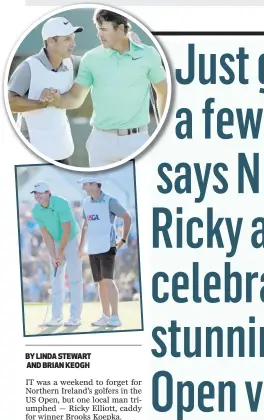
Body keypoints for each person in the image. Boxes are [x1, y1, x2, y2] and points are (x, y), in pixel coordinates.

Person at [40, 9, 168, 168]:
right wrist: (57, 100)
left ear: (120, 28)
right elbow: (75, 98)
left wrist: (163, 133)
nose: (99, 34)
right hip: (101, 142)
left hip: (137, 141)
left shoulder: (148, 55)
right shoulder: (91, 58)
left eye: (104, 29)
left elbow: (163, 93)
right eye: (98, 29)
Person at [7, 17, 83, 164]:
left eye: (73, 38)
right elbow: (9, 103)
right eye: (67, 39)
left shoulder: (72, 62)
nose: (73, 44)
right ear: (51, 41)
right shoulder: (27, 67)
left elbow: (94, 61)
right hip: (32, 148)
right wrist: (42, 103)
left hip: (61, 147)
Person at [77, 177, 131, 328]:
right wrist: (81, 247)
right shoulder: (86, 202)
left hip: (107, 246)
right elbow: (85, 225)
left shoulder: (110, 201)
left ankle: (115, 317)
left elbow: (127, 217)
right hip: (93, 248)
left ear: (95, 185)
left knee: (108, 281)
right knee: (100, 283)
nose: (83, 187)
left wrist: (123, 239)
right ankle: (105, 316)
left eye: (85, 184)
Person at [30, 181, 83, 326]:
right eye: (35, 193)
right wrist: (53, 255)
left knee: (74, 279)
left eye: (40, 193)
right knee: (56, 280)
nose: (37, 196)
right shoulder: (36, 210)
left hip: (72, 239)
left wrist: (60, 252)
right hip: (55, 241)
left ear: (48, 192)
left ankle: (75, 317)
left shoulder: (61, 203)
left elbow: (67, 230)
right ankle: (56, 317)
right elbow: (45, 235)